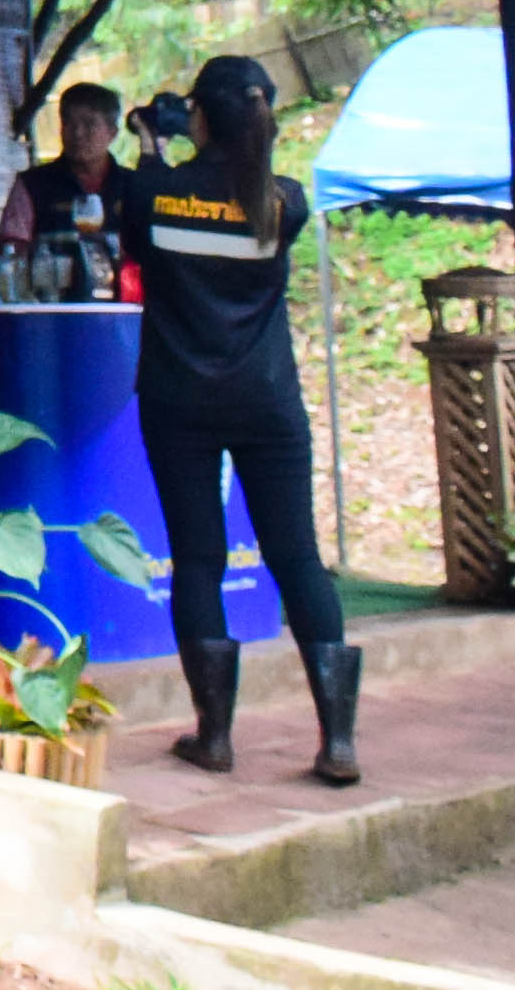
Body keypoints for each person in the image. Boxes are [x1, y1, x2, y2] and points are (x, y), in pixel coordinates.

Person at [124, 52, 360, 786]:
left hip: (180, 401)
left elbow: (139, 232)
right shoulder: (285, 202)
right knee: (297, 557)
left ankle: (215, 737)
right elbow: (248, 183)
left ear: (198, 117)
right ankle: (339, 742)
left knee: (199, 558)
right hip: (268, 402)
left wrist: (150, 147)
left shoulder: (155, 195)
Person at [0, 81, 138, 301]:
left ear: (112, 133)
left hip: (122, 315)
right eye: (68, 123)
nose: (78, 133)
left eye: (89, 124)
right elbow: (11, 254)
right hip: (51, 315)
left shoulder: (133, 186)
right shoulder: (33, 184)